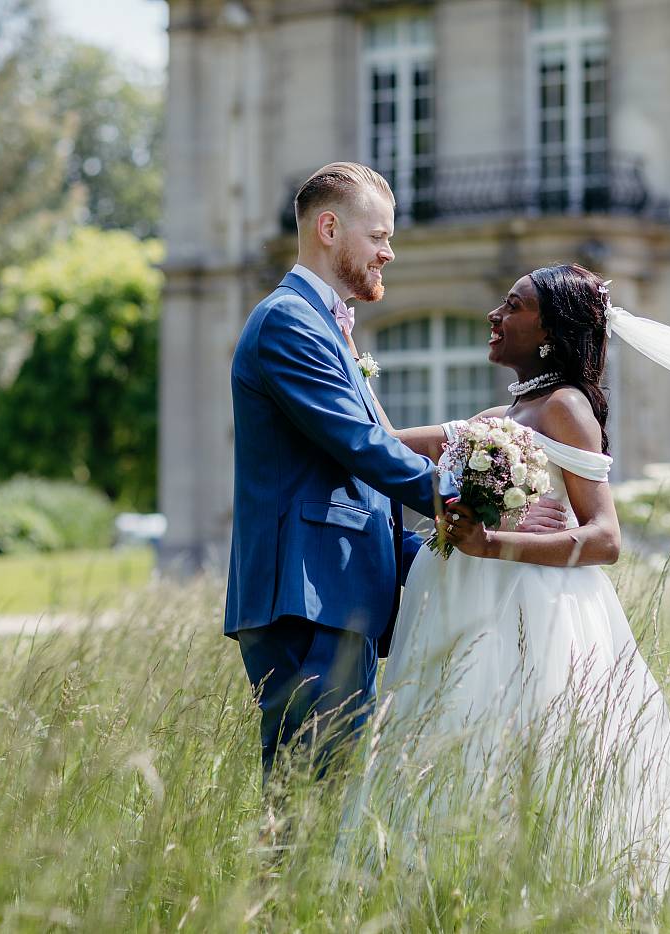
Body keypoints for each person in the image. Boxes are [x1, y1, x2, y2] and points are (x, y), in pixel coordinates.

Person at [349, 264, 670, 888]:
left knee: (529, 752)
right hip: (465, 603)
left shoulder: (566, 407)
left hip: (533, 610)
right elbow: (382, 443)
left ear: (548, 331)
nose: (495, 314)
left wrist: (494, 542)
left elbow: (606, 538)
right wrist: (353, 361)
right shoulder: (507, 412)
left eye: (513, 306)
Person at [225, 162, 566, 786]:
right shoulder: (289, 323)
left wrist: (449, 549)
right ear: (329, 228)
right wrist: (491, 506)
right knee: (310, 800)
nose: (390, 251)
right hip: (306, 593)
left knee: (331, 797)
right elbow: (362, 446)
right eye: (378, 235)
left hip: (338, 590)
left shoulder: (326, 323)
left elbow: (357, 461)